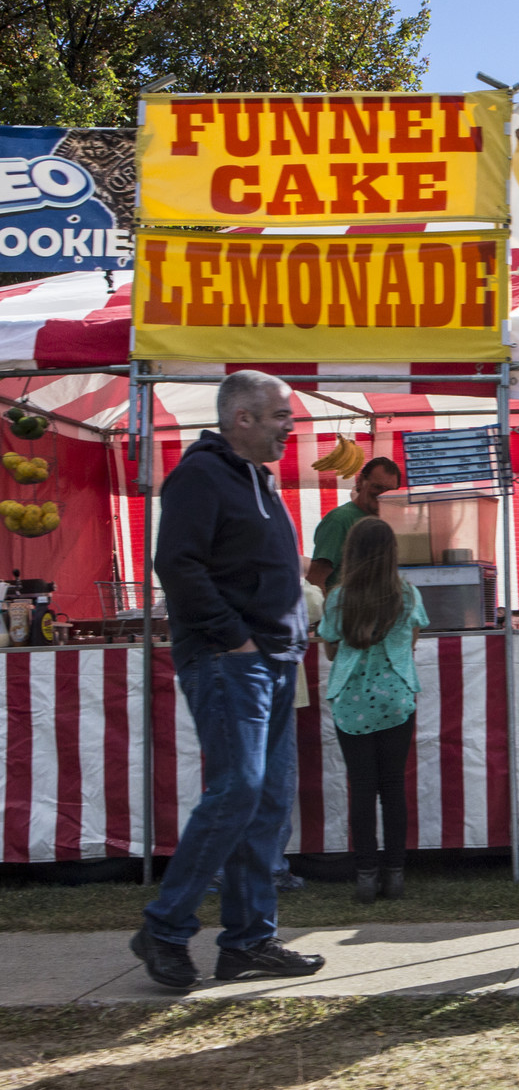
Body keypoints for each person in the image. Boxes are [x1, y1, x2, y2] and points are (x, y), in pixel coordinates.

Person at [132, 370, 323, 991]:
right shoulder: (201, 475)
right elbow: (175, 565)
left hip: (269, 660)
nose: (289, 427)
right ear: (242, 418)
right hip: (229, 660)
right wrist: (232, 636)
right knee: (239, 789)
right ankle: (164, 927)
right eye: (279, 417)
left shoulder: (259, 480)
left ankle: (248, 941)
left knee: (266, 803)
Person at [318, 517, 428, 904]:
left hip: (352, 701)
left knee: (362, 789)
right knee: (393, 786)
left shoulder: (337, 597)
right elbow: (412, 643)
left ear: (351, 552)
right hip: (396, 698)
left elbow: (331, 648)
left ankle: (366, 876)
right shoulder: (409, 595)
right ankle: (395, 875)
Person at [307, 457, 404, 589]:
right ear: (360, 482)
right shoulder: (339, 520)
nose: (382, 495)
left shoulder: (389, 521)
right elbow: (316, 581)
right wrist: (330, 609)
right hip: (345, 607)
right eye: (377, 487)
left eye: (389, 490)